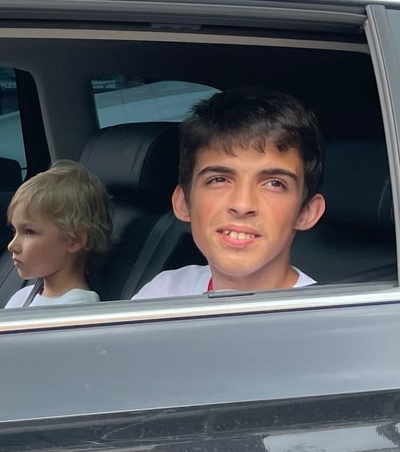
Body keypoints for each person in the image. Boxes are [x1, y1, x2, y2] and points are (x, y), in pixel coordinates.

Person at [132, 88, 328, 300]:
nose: (242, 205)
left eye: (274, 184)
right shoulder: (163, 293)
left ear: (307, 212)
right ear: (183, 202)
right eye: (219, 180)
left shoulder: (327, 315)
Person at [3, 161, 112, 308]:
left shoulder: (79, 309)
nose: (11, 246)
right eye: (15, 231)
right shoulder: (22, 296)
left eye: (29, 232)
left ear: (74, 239)